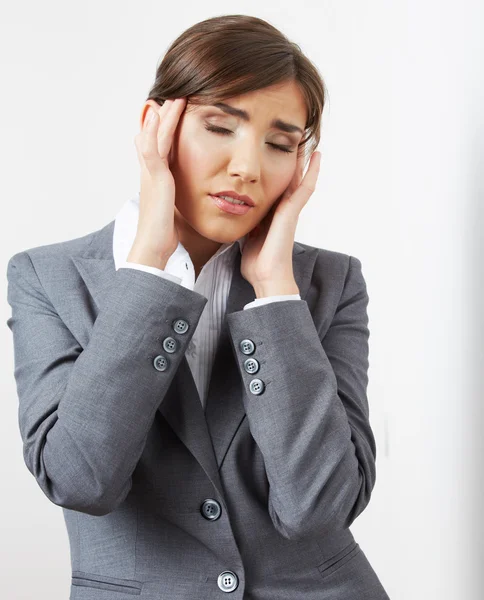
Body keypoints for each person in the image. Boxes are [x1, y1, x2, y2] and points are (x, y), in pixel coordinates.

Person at [5, 14, 390, 600]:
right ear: (154, 123)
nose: (248, 167)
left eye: (280, 144)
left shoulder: (328, 282)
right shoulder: (47, 277)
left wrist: (275, 294)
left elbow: (319, 507)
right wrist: (148, 272)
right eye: (219, 126)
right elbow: (81, 480)